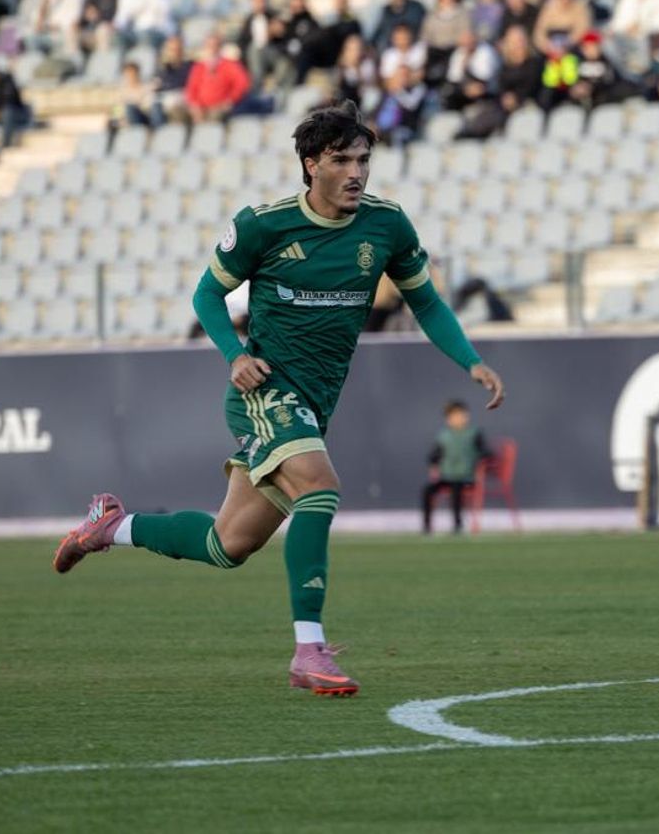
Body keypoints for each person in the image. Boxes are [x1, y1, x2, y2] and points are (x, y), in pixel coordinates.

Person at [53, 102, 507, 698]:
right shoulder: (264, 226)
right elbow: (206, 296)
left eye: (364, 160)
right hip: (265, 390)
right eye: (342, 160)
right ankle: (309, 648)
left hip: (314, 404)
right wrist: (235, 356)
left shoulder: (387, 226)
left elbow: (424, 302)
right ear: (311, 163)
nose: (356, 173)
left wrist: (470, 360)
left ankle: (110, 526)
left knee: (229, 544)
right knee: (320, 487)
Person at [422, 400, 494, 534]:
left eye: (460, 415)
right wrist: (433, 462)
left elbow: (486, 452)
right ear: (448, 419)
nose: (458, 419)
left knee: (456, 490)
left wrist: (481, 459)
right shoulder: (444, 436)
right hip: (447, 477)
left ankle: (457, 524)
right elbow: (435, 454)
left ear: (466, 416)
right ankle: (427, 526)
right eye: (453, 416)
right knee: (427, 490)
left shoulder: (474, 434)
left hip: (467, 477)